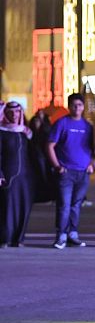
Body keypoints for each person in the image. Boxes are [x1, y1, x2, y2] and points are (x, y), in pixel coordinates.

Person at [47, 93, 94, 249]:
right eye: (74, 105)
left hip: (83, 173)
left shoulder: (88, 126)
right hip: (66, 173)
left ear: (83, 107)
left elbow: (94, 148)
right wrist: (57, 166)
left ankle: (73, 233)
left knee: (76, 205)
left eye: (80, 105)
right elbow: (50, 146)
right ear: (69, 106)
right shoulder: (62, 123)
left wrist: (91, 164)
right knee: (64, 205)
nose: (77, 108)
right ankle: (61, 235)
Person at [0, 102, 34, 247]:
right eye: (11, 113)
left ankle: (18, 239)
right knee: (7, 208)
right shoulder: (2, 132)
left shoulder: (26, 132)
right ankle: (5, 239)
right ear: (5, 114)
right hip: (8, 176)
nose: (14, 115)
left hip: (26, 178)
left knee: (23, 207)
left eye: (17, 112)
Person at [28, 109, 55, 203]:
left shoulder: (47, 126)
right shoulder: (31, 127)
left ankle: (48, 196)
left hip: (45, 155)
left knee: (46, 176)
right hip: (36, 155)